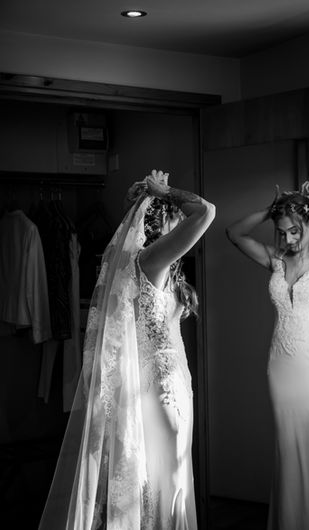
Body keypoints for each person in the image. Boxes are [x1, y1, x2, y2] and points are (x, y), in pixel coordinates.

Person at [38, 169, 215, 530]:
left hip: (163, 388)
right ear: (161, 220)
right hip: (164, 393)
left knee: (159, 484)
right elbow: (207, 211)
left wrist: (148, 197)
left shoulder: (145, 264)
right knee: (168, 488)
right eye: (174, 217)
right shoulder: (152, 261)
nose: (180, 222)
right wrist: (163, 190)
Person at [226, 181, 309, 530]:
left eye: (295, 231)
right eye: (281, 233)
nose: (289, 240)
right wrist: (272, 209)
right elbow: (233, 233)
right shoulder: (276, 260)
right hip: (281, 365)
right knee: (288, 446)